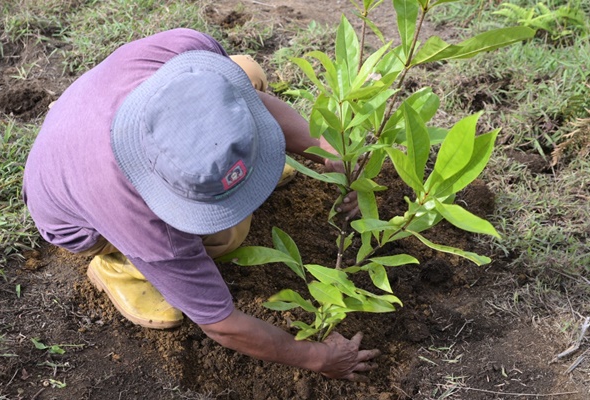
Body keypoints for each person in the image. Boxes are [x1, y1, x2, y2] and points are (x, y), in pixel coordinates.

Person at [22, 28, 379, 381]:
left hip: (87, 117)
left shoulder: (186, 48)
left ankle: (240, 163)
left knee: (247, 73)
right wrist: (319, 357)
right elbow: (224, 326)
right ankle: (123, 265)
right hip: (72, 214)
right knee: (228, 236)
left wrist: (329, 150)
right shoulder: (145, 219)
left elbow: (253, 100)